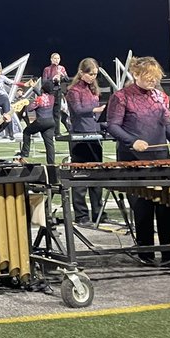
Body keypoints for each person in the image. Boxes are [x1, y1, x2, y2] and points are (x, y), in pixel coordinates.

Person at [105, 56, 170, 264]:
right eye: (149, 78)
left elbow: (167, 123)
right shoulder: (121, 96)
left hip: (161, 156)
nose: (153, 82)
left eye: (155, 78)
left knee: (167, 205)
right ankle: (146, 253)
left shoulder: (160, 96)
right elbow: (113, 125)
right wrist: (132, 141)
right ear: (136, 74)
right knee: (143, 208)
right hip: (133, 158)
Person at [65, 58, 106, 226]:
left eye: (95, 74)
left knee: (97, 178)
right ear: (81, 73)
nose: (93, 77)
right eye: (90, 74)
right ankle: (81, 216)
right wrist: (96, 109)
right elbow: (78, 110)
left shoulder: (93, 90)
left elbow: (96, 115)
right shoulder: (73, 91)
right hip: (79, 135)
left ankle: (99, 214)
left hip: (95, 134)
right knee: (80, 179)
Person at [19, 79, 58, 165]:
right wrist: (34, 87)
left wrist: (30, 102)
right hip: (51, 122)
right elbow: (44, 95)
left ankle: (25, 153)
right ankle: (51, 164)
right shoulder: (52, 97)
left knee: (26, 132)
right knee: (49, 144)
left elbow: (30, 109)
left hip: (41, 121)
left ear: (43, 89)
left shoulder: (39, 99)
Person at [42, 53, 70, 135]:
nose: (56, 60)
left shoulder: (62, 68)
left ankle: (57, 132)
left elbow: (67, 79)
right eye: (55, 58)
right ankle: (48, 131)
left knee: (57, 113)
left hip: (58, 92)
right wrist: (53, 79)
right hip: (50, 92)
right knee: (49, 112)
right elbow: (44, 82)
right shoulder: (47, 69)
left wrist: (63, 76)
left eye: (58, 58)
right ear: (51, 59)